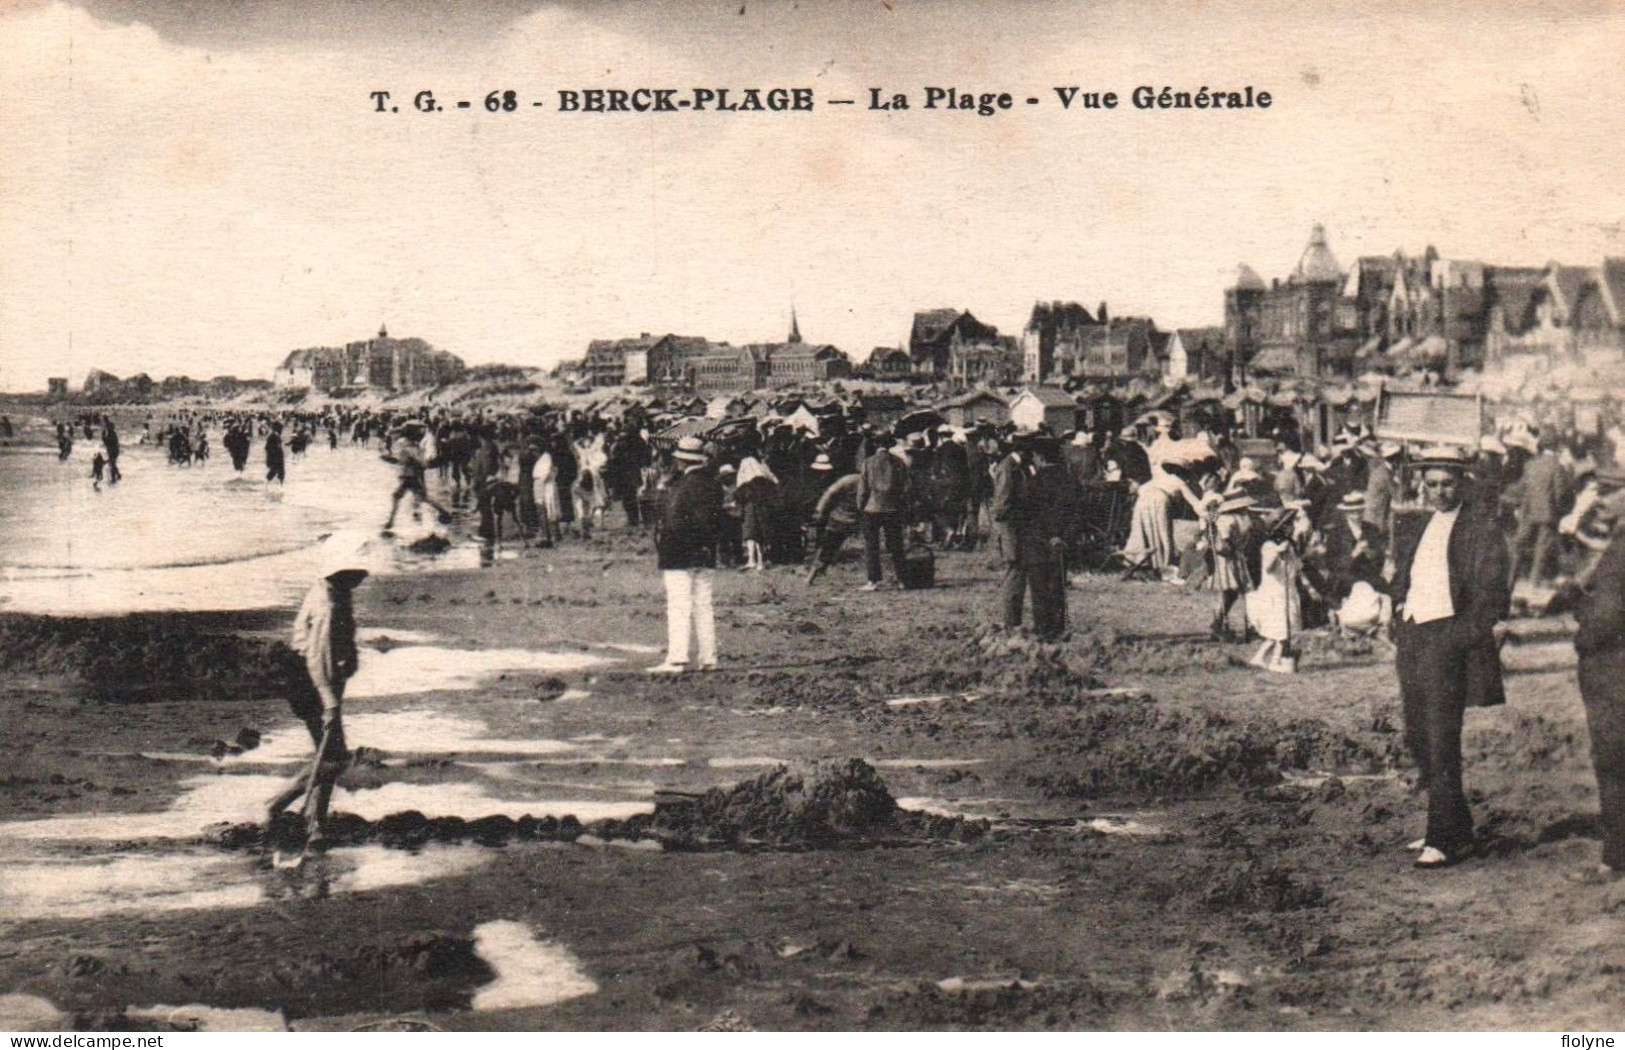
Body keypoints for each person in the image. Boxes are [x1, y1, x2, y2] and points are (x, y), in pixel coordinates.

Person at [1389, 446, 1511, 869]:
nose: (1439, 491)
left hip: (1448, 640)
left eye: (1447, 484)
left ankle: (1443, 837)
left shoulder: (1480, 528)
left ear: (1461, 483)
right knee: (1418, 733)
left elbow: (1491, 595)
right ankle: (1454, 826)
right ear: (1422, 484)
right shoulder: (1417, 524)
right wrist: (1400, 614)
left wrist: (1459, 637)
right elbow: (1402, 577)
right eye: (1432, 484)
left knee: (1443, 739)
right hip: (1414, 637)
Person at [264, 532, 370, 855]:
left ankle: (317, 823)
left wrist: (349, 654)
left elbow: (335, 644)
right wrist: (331, 705)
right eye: (356, 573)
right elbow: (318, 657)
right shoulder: (330, 604)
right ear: (343, 572)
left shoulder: (333, 590)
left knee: (329, 753)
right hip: (309, 680)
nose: (361, 578)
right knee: (334, 757)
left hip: (317, 677)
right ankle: (278, 806)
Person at [1573, 513, 1625, 882]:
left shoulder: (1619, 554)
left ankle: (1615, 859)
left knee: (1613, 762)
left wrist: (1582, 637)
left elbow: (1605, 619)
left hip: (1613, 670)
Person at [649, 436, 722, 674]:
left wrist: (662, 487)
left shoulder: (679, 487)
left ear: (680, 462)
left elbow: (670, 519)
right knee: (703, 605)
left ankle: (678, 658)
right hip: (706, 551)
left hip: (678, 553)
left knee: (679, 605)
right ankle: (709, 658)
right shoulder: (714, 485)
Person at [1019, 436, 1083, 639]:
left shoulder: (1033, 482)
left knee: (1039, 590)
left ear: (1039, 457)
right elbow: (1079, 513)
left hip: (1037, 542)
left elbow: (1026, 515)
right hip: (1062, 543)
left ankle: (1044, 631)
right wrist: (1064, 537)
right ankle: (1058, 629)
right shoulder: (1071, 481)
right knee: (1057, 587)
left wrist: (1042, 536)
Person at [1511, 435, 1573, 588]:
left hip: (1528, 511)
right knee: (1541, 549)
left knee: (1518, 545)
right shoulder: (1557, 467)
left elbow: (1522, 488)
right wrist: (1562, 511)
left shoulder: (1530, 464)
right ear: (1556, 447)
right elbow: (1560, 493)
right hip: (1548, 513)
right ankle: (1534, 582)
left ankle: (1510, 579)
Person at [855, 430, 910, 591]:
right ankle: (902, 579)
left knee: (872, 545)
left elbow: (863, 489)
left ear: (876, 444)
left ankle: (873, 580)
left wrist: (860, 506)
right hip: (893, 508)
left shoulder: (868, 462)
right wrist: (903, 506)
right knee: (896, 545)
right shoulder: (899, 462)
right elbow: (906, 488)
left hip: (872, 508)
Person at [1201, 493, 1257, 641]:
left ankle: (1220, 623)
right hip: (1229, 558)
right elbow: (1224, 544)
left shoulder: (1236, 518)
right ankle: (1236, 625)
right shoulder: (1228, 520)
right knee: (1238, 591)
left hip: (1234, 556)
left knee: (1233, 592)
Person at [806, 460, 860, 584]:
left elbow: (828, 494)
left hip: (846, 517)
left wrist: (819, 511)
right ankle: (813, 574)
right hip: (846, 517)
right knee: (829, 547)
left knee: (829, 547)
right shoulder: (851, 480)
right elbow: (829, 495)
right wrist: (820, 511)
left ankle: (814, 574)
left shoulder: (850, 479)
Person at [735, 456, 778, 572]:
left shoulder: (747, 485)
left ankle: (753, 560)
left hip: (751, 509)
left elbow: (739, 494)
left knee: (751, 535)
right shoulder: (765, 481)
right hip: (762, 509)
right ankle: (759, 560)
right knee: (759, 535)